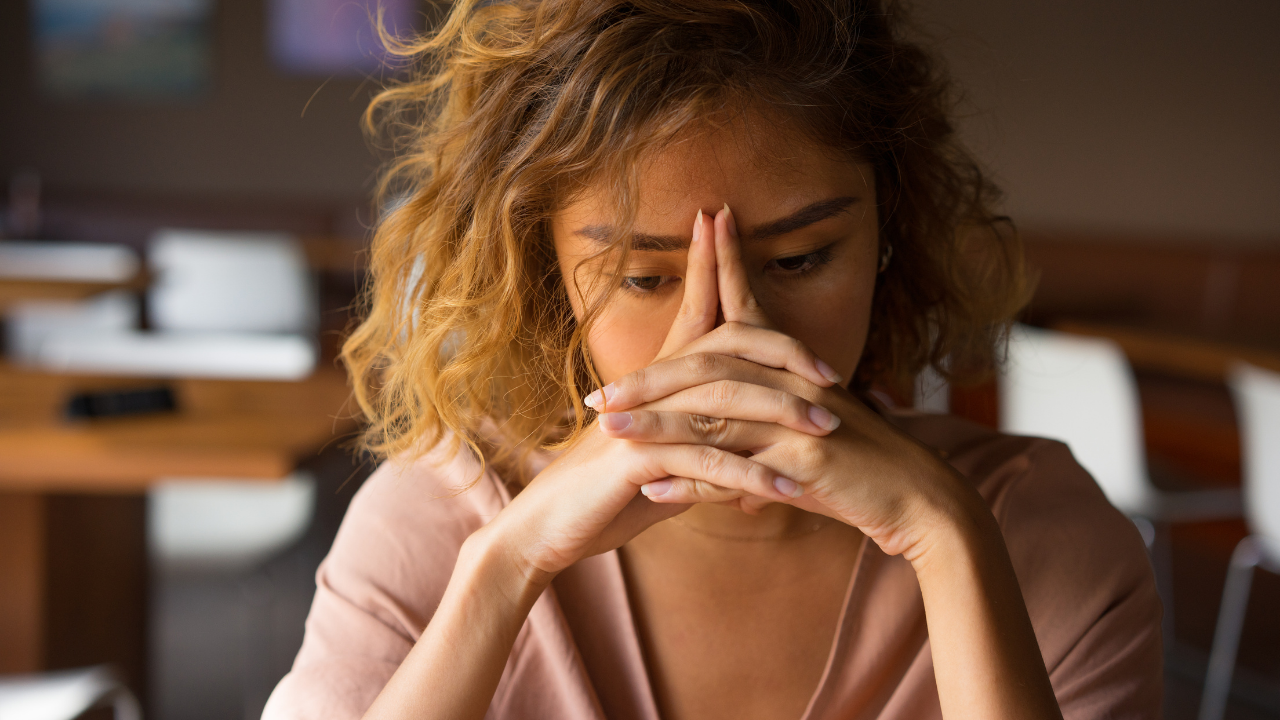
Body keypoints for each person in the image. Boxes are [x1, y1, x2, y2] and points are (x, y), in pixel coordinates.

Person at [263, 1, 1162, 718]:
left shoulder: (1041, 535)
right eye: (643, 277)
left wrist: (948, 543)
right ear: (547, 276)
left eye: (802, 260)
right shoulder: (441, 524)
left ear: (892, 231)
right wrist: (506, 571)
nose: (730, 338)